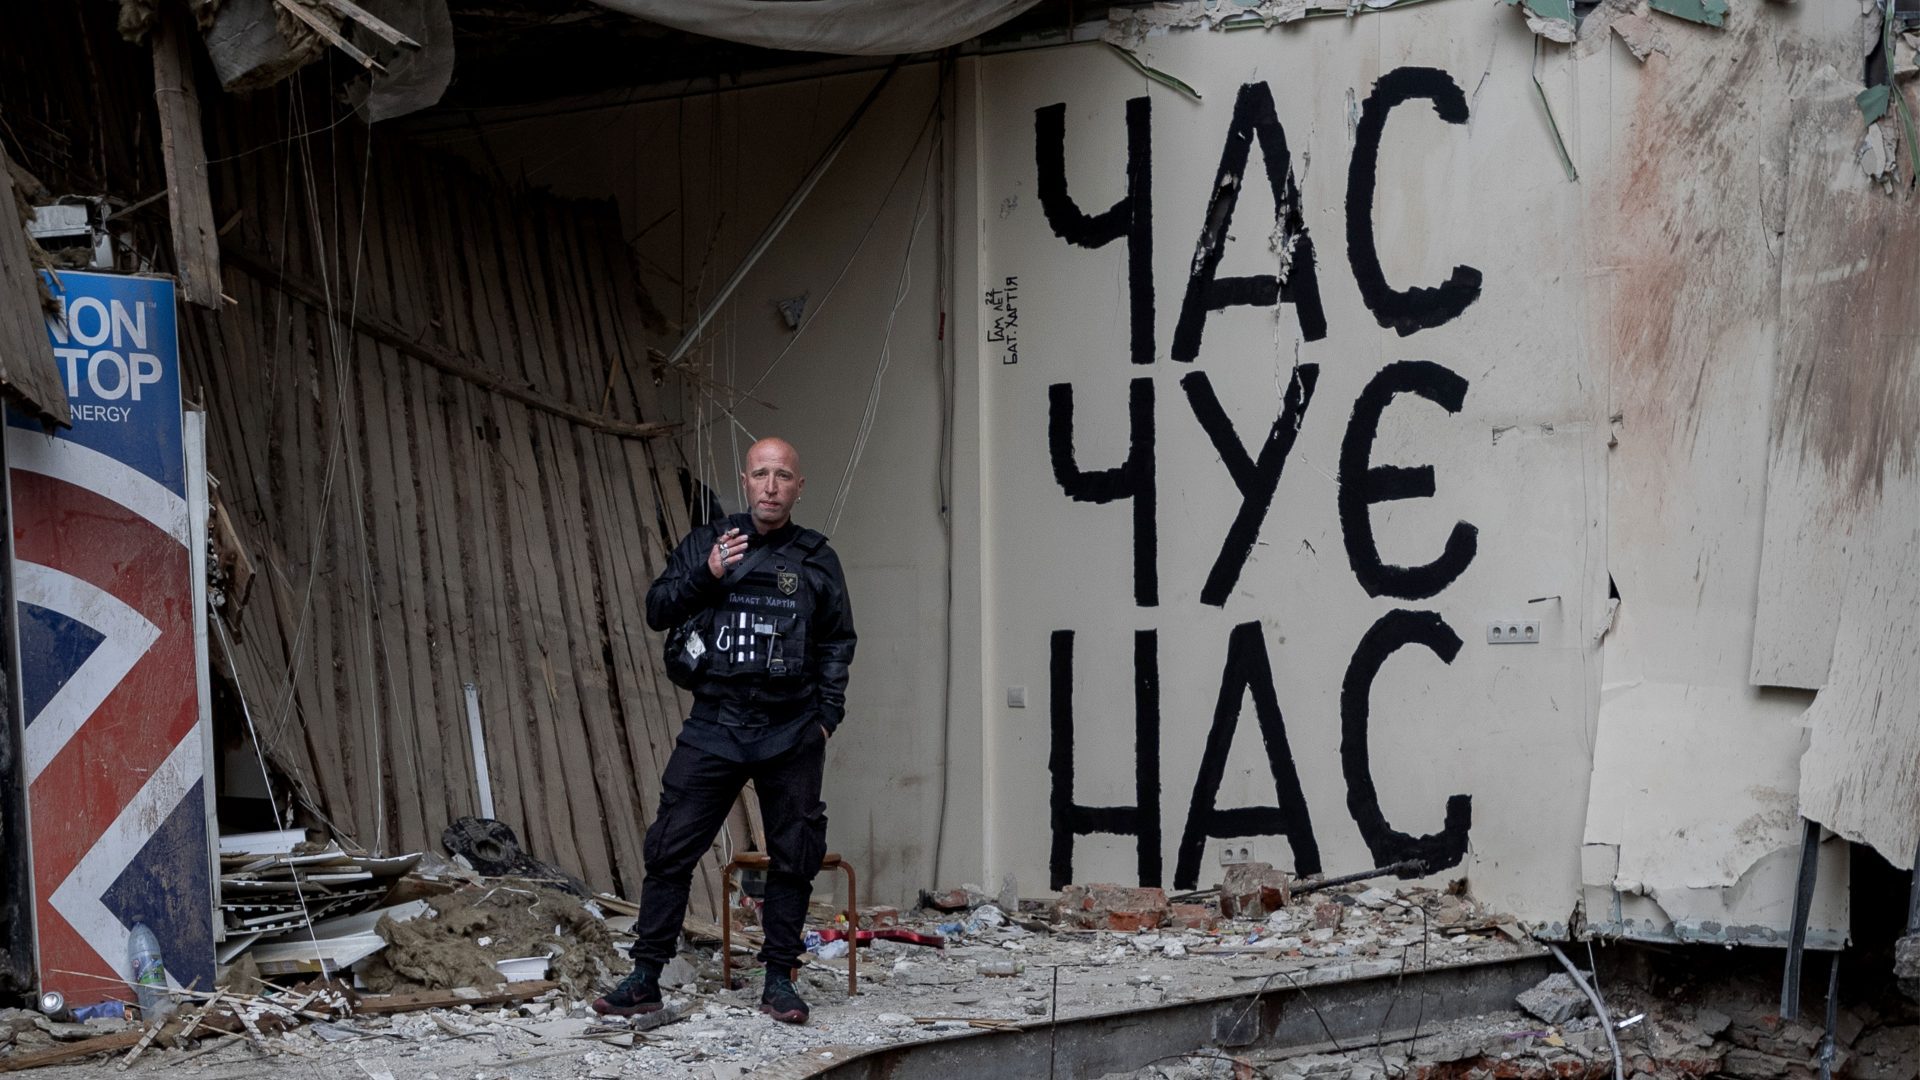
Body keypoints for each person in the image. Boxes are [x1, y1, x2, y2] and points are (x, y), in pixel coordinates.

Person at [594, 437, 855, 1025]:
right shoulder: (710, 543)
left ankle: (779, 980)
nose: (770, 486)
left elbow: (839, 639)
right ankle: (645, 977)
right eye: (761, 474)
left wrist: (826, 718)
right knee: (669, 849)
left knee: (795, 855)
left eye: (782, 475)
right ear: (745, 480)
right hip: (715, 722)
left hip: (790, 729)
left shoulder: (816, 558)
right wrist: (708, 575)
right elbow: (659, 608)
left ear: (798, 486)